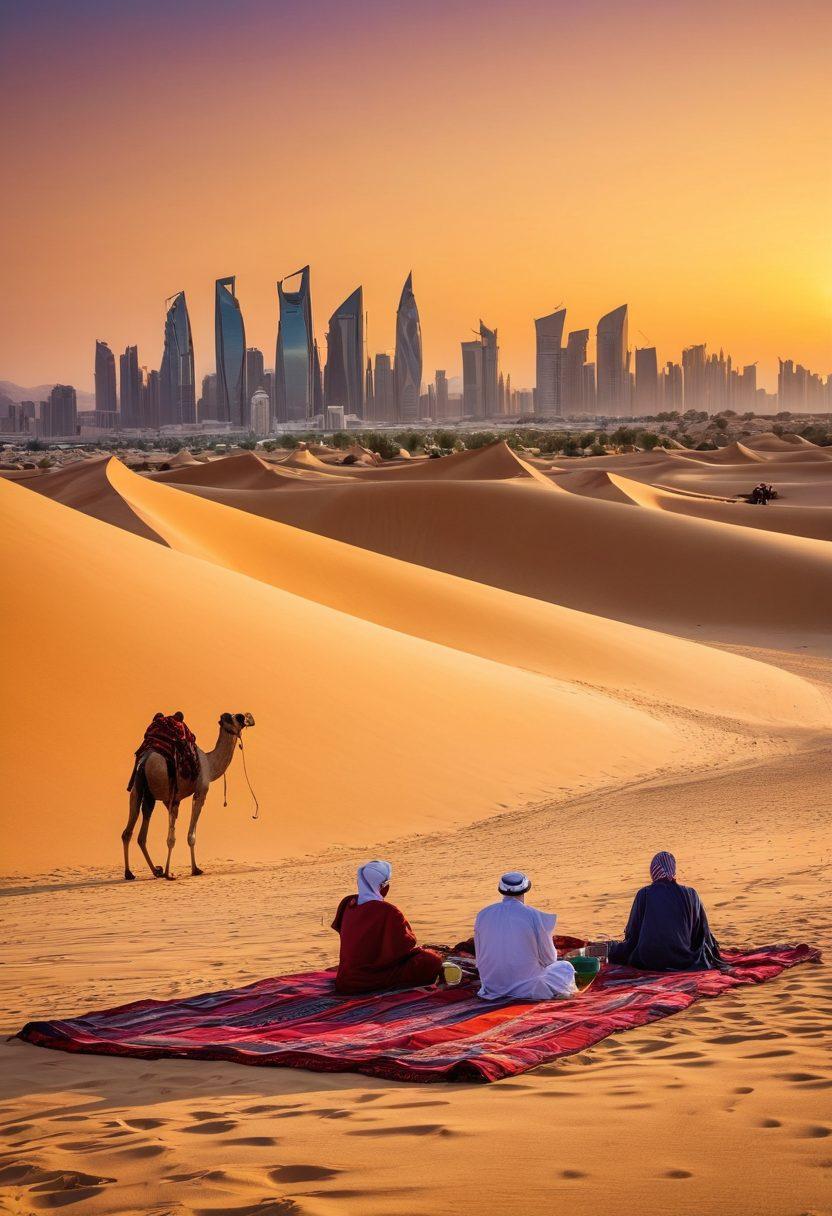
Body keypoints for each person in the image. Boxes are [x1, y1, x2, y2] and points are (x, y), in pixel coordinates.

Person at [331, 860, 444, 994]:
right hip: (369, 981)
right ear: (382, 886)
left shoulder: (348, 903)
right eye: (386, 884)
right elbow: (405, 945)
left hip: (345, 979)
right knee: (430, 960)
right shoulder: (388, 911)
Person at [607, 851, 721, 972]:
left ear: (653, 870)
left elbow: (633, 934)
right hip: (683, 960)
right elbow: (700, 933)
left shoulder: (644, 894)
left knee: (614, 949)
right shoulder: (691, 893)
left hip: (646, 961)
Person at [474, 871, 578, 1001]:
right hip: (528, 988)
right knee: (565, 968)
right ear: (525, 890)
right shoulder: (533, 915)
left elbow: (479, 957)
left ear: (501, 890)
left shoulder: (482, 914)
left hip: (492, 985)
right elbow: (549, 959)